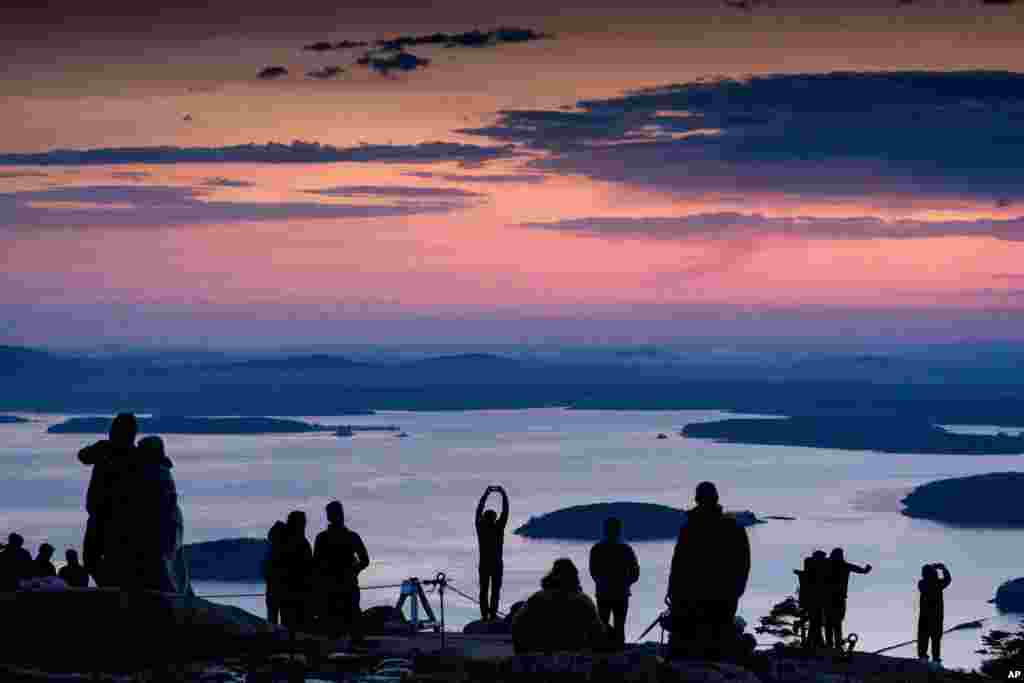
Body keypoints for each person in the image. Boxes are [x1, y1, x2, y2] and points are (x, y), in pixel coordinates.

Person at [666, 481, 751, 659]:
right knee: (716, 642)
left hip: (692, 596)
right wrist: (735, 590)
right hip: (723, 595)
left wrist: (673, 590)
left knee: (692, 643)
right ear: (716, 499)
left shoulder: (689, 529)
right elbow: (743, 563)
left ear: (697, 499)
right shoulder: (732, 527)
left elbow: (679, 564)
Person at [99, 435, 190, 592]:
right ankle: (178, 593)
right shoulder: (156, 470)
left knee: (162, 562)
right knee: (171, 562)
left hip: (162, 524)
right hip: (168, 522)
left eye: (141, 450)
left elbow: (155, 502)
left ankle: (173, 594)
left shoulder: (154, 472)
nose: (138, 453)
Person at [78, 412, 138, 586]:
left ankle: (111, 588)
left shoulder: (110, 450)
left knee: (96, 557)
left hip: (113, 516)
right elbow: (83, 456)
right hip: (112, 516)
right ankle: (110, 587)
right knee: (96, 558)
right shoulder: (132, 454)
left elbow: (83, 456)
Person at [512, 558, 608, 654]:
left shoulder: (537, 598)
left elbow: (517, 625)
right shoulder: (583, 600)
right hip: (575, 650)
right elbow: (598, 632)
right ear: (575, 577)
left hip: (541, 649)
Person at [314, 500, 371, 643]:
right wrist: (354, 570)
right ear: (342, 515)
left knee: (334, 626)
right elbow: (365, 560)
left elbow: (315, 564)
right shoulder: (351, 536)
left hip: (331, 587)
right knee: (352, 622)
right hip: (347, 584)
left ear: (328, 517)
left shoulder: (322, 538)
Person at [589, 517, 640, 647]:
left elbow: (593, 571)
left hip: (603, 592)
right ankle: (619, 649)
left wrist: (601, 582)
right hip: (621, 592)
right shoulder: (626, 549)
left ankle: (602, 649)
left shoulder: (596, 549)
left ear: (605, 530)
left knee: (602, 623)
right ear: (619, 530)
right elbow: (635, 572)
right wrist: (626, 583)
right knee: (620, 625)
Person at [825, 548, 871, 649]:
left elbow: (860, 570)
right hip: (838, 598)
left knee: (830, 622)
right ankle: (835, 644)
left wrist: (865, 570)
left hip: (830, 598)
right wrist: (865, 570)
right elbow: (859, 570)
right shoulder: (843, 565)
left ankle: (831, 644)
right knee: (835, 623)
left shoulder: (828, 565)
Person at [475, 485, 509, 621]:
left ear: (484, 518)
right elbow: (506, 511)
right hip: (496, 564)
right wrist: (503, 494)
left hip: (484, 564)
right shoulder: (498, 527)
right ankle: (493, 615)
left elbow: (478, 510)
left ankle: (484, 616)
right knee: (495, 591)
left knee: (483, 591)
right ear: (495, 518)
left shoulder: (481, 528)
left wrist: (486, 494)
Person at [278, 510, 314, 632]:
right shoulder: (301, 543)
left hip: (287, 590)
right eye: (303, 522)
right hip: (299, 590)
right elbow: (308, 567)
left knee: (288, 625)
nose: (304, 525)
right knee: (298, 624)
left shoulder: (283, 542)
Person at [918, 563, 952, 666]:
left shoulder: (922, 583)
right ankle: (936, 659)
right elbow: (948, 579)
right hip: (937, 615)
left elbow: (946, 580)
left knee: (923, 637)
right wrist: (943, 569)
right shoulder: (938, 583)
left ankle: (923, 657)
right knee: (936, 638)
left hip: (925, 615)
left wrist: (934, 569)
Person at [262, 520, 287, 626]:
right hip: (281, 592)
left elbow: (266, 573)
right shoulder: (285, 551)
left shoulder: (272, 551)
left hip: (273, 592)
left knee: (272, 623)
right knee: (284, 623)